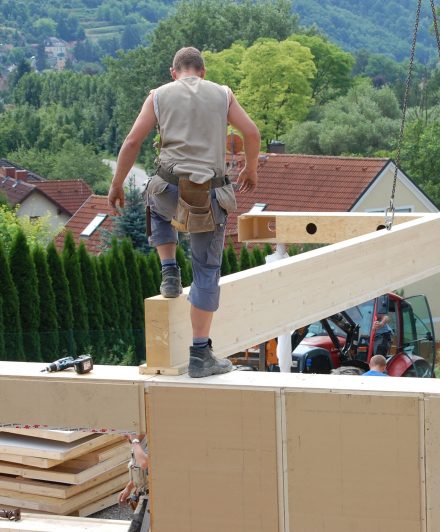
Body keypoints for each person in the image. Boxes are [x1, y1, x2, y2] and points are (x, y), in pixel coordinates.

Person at [108, 47, 261, 378]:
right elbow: (251, 132)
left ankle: (169, 271)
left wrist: (117, 183)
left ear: (173, 72)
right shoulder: (223, 94)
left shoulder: (159, 96)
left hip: (169, 188)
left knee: (156, 201)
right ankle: (200, 354)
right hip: (209, 196)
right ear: (203, 71)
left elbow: (133, 141)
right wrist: (251, 169)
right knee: (206, 269)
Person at [119, 435, 149, 532]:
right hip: (143, 496)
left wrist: (134, 440)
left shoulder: (151, 442)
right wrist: (128, 488)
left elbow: (144, 463)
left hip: (150, 499)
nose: (123, 436)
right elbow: (139, 471)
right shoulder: (137, 444)